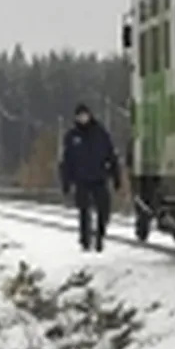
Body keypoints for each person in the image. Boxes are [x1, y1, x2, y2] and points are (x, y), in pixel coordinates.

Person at [60, 103, 121, 252]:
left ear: (89, 115)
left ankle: (100, 235)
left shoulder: (100, 133)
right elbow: (66, 161)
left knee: (103, 210)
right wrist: (66, 182)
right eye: (80, 116)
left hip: (99, 177)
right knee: (84, 211)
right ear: (76, 118)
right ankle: (85, 239)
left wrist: (116, 175)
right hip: (81, 180)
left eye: (85, 115)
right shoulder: (72, 137)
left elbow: (111, 155)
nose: (83, 118)